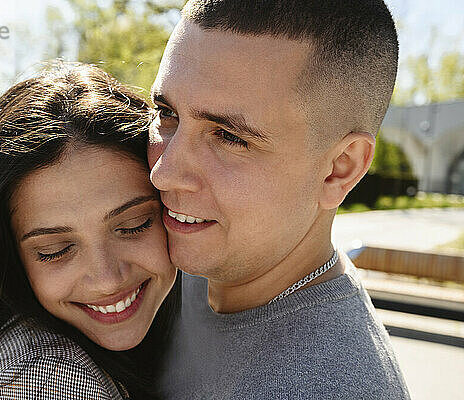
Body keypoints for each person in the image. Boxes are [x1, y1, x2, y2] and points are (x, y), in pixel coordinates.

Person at [148, 0, 411, 398]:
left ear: (339, 168)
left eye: (229, 137)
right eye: (167, 114)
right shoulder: (170, 257)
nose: (162, 173)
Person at [0, 63, 178, 400]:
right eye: (55, 250)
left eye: (134, 226)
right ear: (9, 255)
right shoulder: (48, 381)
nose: (107, 279)